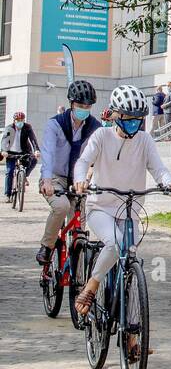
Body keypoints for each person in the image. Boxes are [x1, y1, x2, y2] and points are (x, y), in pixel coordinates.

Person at [72, 86, 171, 348]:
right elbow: (82, 162)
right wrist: (80, 180)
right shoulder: (101, 136)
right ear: (116, 115)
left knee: (132, 266)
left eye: (138, 119)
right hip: (100, 207)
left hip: (130, 210)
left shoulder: (144, 140)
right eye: (129, 118)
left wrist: (170, 183)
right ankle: (92, 286)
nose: (134, 123)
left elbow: (159, 169)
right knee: (115, 244)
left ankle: (132, 337)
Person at [37, 80, 102, 265]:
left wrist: (90, 178)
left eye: (88, 106)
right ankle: (47, 246)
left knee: (79, 221)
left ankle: (77, 268)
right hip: (55, 177)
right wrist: (46, 181)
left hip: (78, 180)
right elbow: (48, 154)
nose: (84, 109)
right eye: (81, 105)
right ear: (71, 104)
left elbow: (97, 157)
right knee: (61, 207)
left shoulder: (95, 128)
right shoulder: (56, 124)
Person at [2, 111, 39, 201]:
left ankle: (24, 176)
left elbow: (33, 139)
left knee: (34, 160)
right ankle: (8, 194)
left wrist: (36, 150)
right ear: (14, 121)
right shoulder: (9, 128)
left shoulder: (27, 127)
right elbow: (4, 141)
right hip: (11, 153)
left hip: (23, 152)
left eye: (22, 120)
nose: (20, 122)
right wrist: (3, 150)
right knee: (10, 172)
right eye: (18, 120)